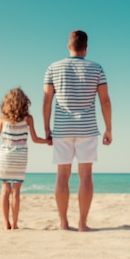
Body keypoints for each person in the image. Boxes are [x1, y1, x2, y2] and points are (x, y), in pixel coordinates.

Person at [43, 30, 112, 232]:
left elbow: (47, 99)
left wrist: (46, 128)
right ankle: (82, 223)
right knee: (86, 175)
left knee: (62, 175)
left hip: (62, 128)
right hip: (87, 128)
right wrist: (109, 128)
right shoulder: (97, 68)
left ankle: (64, 223)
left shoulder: (53, 68)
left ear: (68, 46)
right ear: (86, 48)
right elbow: (105, 100)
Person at [0, 88, 50, 230]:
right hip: (20, 156)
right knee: (16, 191)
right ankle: (15, 224)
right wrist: (48, 141)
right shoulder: (28, 119)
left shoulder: (3, 119)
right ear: (24, 102)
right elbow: (35, 139)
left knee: (5, 189)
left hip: (5, 156)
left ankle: (6, 223)